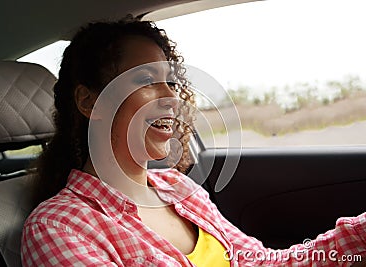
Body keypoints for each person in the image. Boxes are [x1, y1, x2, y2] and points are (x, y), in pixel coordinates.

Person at [21, 18, 366, 267]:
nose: (172, 98)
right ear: (89, 102)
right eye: (146, 80)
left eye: (170, 83)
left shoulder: (178, 189)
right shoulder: (59, 227)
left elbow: (260, 262)